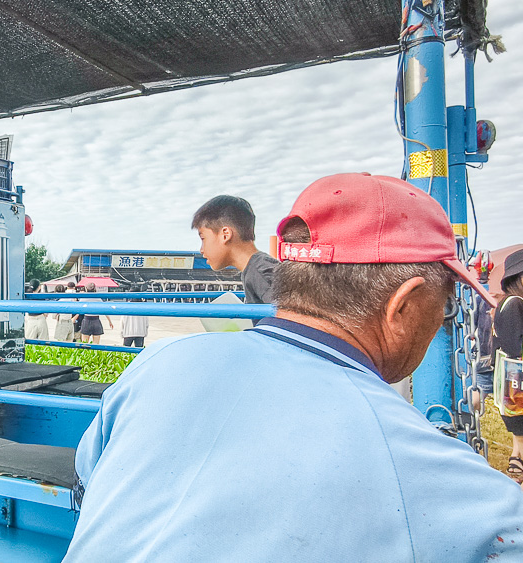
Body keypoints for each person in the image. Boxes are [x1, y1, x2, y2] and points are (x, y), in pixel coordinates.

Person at [64, 173, 521, 562]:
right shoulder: (458, 488)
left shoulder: (159, 361)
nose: (442, 318)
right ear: (401, 306)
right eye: (443, 304)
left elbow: (89, 470)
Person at [192, 194, 277, 304]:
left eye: (203, 238)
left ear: (225, 235)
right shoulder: (255, 268)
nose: (201, 250)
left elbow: (292, 318)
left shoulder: (261, 273)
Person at [494, 250, 523, 482]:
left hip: (512, 382)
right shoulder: (515, 304)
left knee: (519, 439)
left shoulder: (508, 303)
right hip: (517, 380)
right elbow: (515, 345)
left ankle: (516, 465)